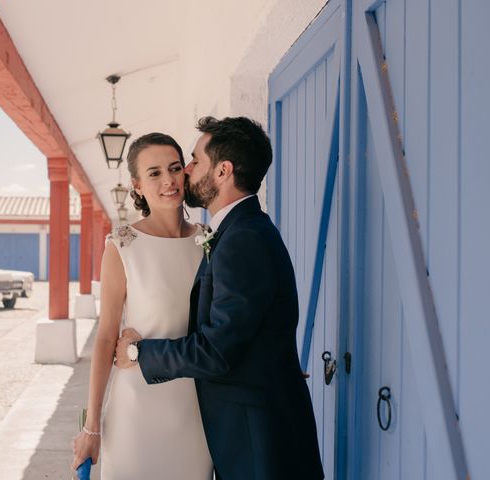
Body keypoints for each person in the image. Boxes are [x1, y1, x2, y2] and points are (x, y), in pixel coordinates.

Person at [115, 116, 324, 479]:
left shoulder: (242, 239)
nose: (187, 171)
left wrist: (139, 352)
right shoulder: (240, 231)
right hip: (252, 426)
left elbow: (216, 350)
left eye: (195, 161)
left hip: (258, 440)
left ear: (223, 171)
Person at [71, 133, 213, 479]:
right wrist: (92, 427)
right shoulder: (122, 246)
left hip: (198, 413)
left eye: (175, 168)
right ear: (136, 185)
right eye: (154, 173)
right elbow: (106, 338)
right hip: (136, 410)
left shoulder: (208, 241)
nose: (168, 180)